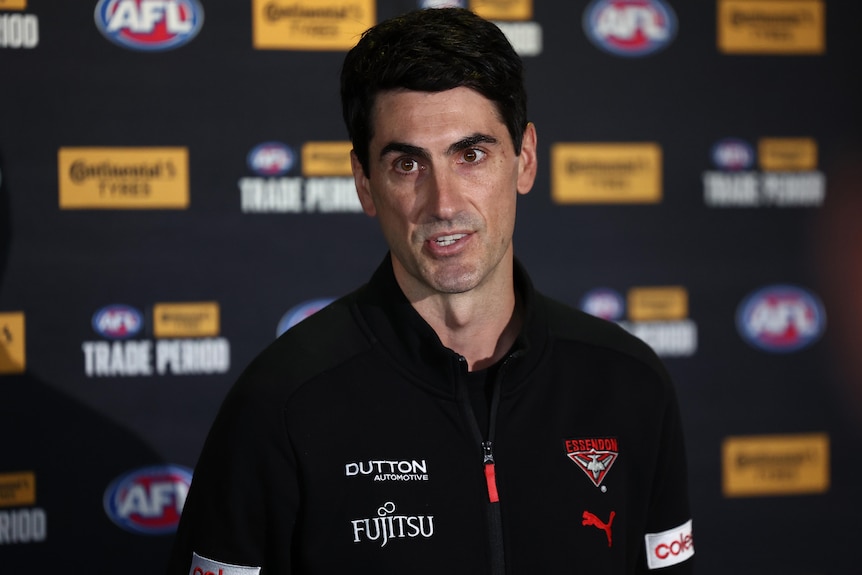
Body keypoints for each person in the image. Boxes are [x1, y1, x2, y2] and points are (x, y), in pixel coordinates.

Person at [167, 8, 694, 574]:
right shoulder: (283, 403)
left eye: (471, 155)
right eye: (407, 163)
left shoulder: (629, 384)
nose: (443, 203)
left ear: (525, 159)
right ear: (365, 184)